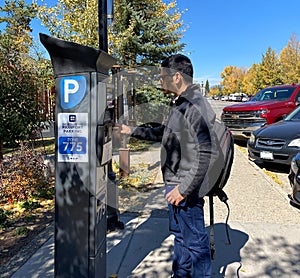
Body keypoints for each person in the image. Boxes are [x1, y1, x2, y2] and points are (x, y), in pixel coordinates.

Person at [120, 54, 216, 277]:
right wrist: (132, 131)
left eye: (163, 77)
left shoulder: (195, 106)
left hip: (185, 190)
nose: (159, 82)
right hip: (176, 186)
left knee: (196, 246)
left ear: (177, 77)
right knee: (182, 239)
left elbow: (206, 152)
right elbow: (165, 134)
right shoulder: (180, 104)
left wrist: (183, 190)